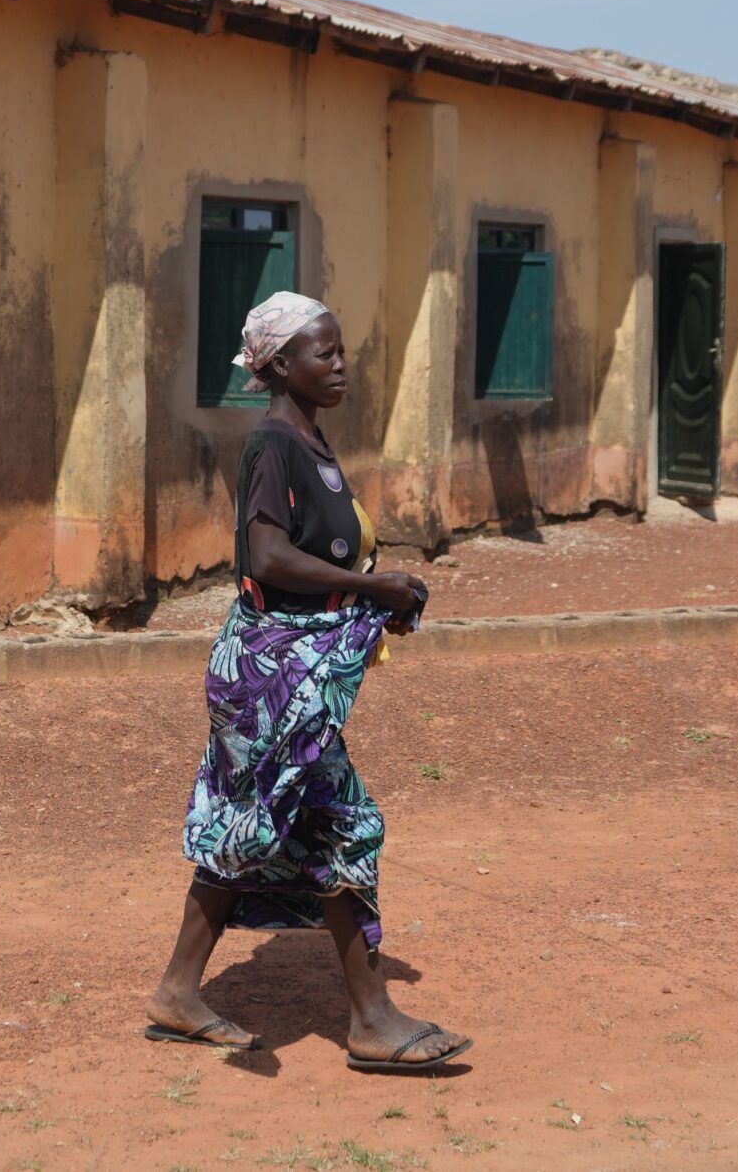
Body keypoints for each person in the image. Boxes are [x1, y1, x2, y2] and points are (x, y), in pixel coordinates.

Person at [143, 291, 473, 1074]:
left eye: (341, 350)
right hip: (267, 676)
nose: (340, 364)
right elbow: (266, 558)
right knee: (342, 824)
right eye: (323, 352)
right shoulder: (272, 446)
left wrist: (372, 597)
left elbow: (314, 565)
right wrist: (368, 589)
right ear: (280, 364)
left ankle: (178, 993)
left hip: (281, 672)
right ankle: (372, 1017)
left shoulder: (311, 444)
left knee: (256, 816)